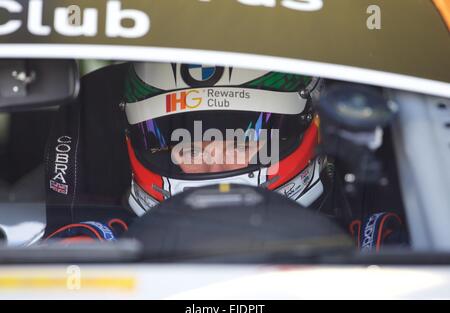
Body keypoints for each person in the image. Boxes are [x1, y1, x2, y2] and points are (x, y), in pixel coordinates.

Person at [44, 62, 407, 251]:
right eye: (181, 140)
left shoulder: (385, 253)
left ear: (310, 127)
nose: (212, 156)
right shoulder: (85, 263)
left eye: (244, 136)